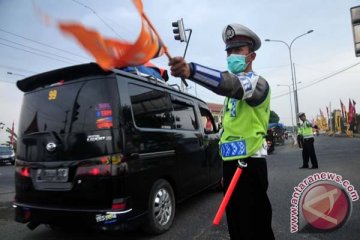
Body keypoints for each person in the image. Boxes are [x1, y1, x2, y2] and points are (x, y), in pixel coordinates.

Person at [169, 23, 275, 240]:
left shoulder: (258, 84)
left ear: (251, 56)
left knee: (255, 228)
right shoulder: (230, 97)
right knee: (236, 227)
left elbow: (229, 83)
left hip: (249, 165)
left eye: (238, 51)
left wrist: (192, 70)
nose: (231, 56)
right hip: (231, 165)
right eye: (229, 51)